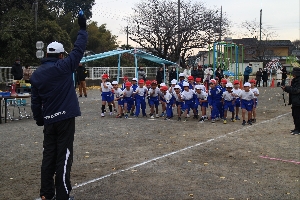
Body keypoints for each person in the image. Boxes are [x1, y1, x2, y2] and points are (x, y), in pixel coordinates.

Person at [30, 14, 87, 200]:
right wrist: (82, 28)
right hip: (65, 119)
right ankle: (62, 195)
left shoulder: (37, 75)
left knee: (49, 157)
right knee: (64, 156)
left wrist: (39, 119)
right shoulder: (64, 66)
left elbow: (36, 101)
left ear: (46, 54)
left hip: (49, 120)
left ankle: (46, 194)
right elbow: (79, 49)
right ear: (61, 55)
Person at [282, 67, 300, 135]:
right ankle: (296, 128)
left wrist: (287, 88)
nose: (293, 75)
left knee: (298, 115)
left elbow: (296, 90)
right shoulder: (294, 80)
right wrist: (286, 88)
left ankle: (298, 129)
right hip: (295, 100)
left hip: (298, 101)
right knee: (294, 115)